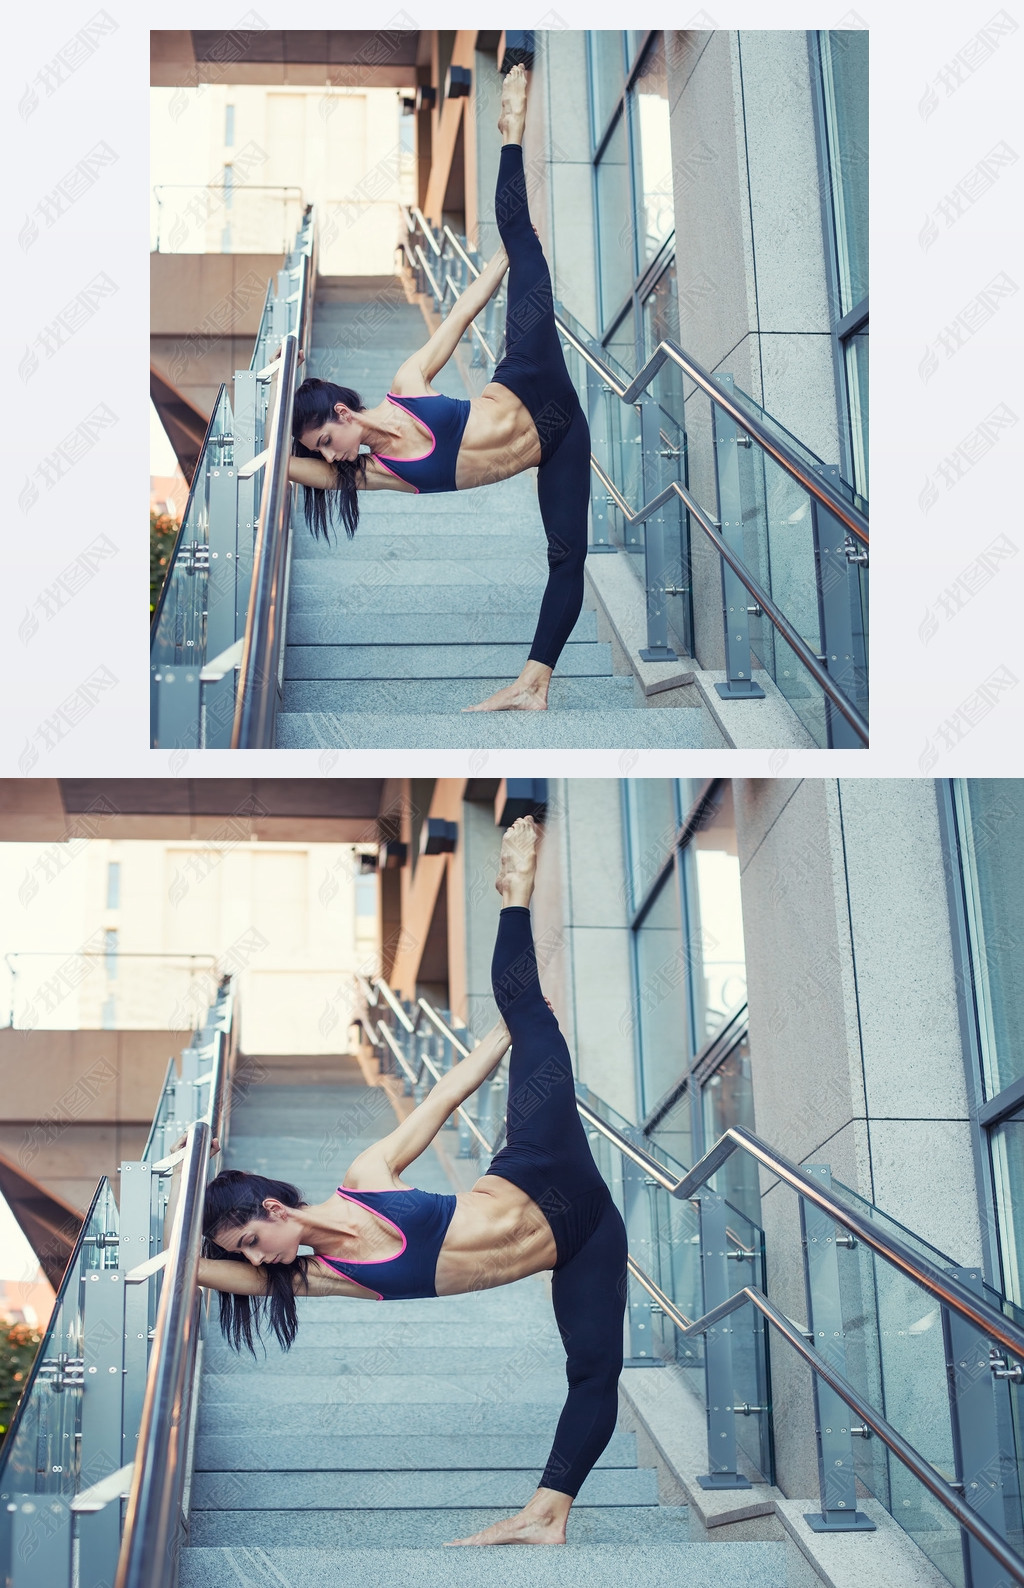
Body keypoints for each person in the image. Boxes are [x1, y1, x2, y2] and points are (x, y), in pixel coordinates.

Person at [192, 816, 628, 1547]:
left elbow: (439, 1102)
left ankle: (514, 890)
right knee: (594, 1372)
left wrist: (501, 1039)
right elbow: (194, 1270)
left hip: (544, 1168)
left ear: (273, 1207)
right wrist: (178, 1210)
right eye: (247, 1255)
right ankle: (546, 1516)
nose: (258, 1258)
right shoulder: (320, 1276)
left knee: (527, 1011)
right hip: (581, 1241)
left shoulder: (366, 1178)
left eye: (252, 1239)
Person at [286, 64, 591, 714]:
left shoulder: (405, 386)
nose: (331, 453)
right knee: (567, 557)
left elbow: (458, 320)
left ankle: (510, 127)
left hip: (532, 376)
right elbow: (287, 470)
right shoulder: (376, 473)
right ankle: (533, 686)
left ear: (342, 411)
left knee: (521, 237)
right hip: (558, 444)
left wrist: (501, 266)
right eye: (322, 449)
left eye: (327, 437)